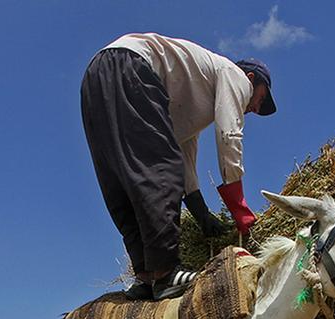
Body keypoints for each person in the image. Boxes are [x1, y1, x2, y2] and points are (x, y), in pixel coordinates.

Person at [80, 32, 276, 300]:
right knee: (160, 170)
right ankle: (166, 272)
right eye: (261, 99)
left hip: (96, 81)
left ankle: (146, 276)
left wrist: (200, 212)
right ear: (252, 79)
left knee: (124, 179)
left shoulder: (193, 95)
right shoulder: (235, 75)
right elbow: (229, 135)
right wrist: (238, 207)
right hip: (133, 66)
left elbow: (184, 152)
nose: (256, 108)